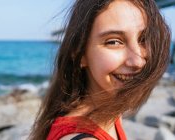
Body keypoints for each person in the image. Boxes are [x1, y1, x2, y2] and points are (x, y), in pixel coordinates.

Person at [29, 0, 171, 139]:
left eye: (144, 39)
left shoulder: (109, 111)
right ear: (80, 54)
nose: (138, 61)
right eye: (114, 42)